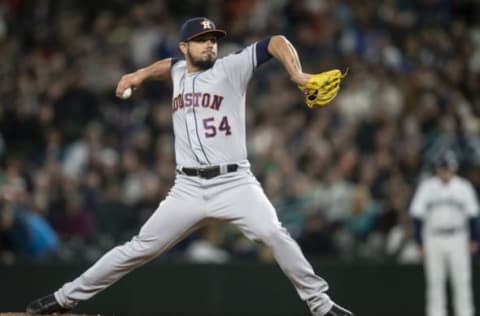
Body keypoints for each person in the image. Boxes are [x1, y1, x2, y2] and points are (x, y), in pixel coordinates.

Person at [26, 17, 353, 316]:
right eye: (201, 39)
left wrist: (296, 74)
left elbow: (276, 41)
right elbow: (164, 67)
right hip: (188, 189)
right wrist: (137, 75)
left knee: (274, 234)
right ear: (185, 47)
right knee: (138, 249)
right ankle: (64, 297)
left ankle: (321, 305)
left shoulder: (231, 68)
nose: (210, 43)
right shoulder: (178, 70)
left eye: (212, 38)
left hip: (235, 183)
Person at [410, 151, 479, 316]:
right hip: (433, 238)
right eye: (442, 168)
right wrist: (420, 242)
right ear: (437, 169)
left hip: (458, 237)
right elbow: (416, 215)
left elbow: (473, 215)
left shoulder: (463, 187)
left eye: (447, 167)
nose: (445, 171)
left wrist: (474, 239)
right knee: (435, 282)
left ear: (453, 168)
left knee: (462, 281)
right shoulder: (427, 187)